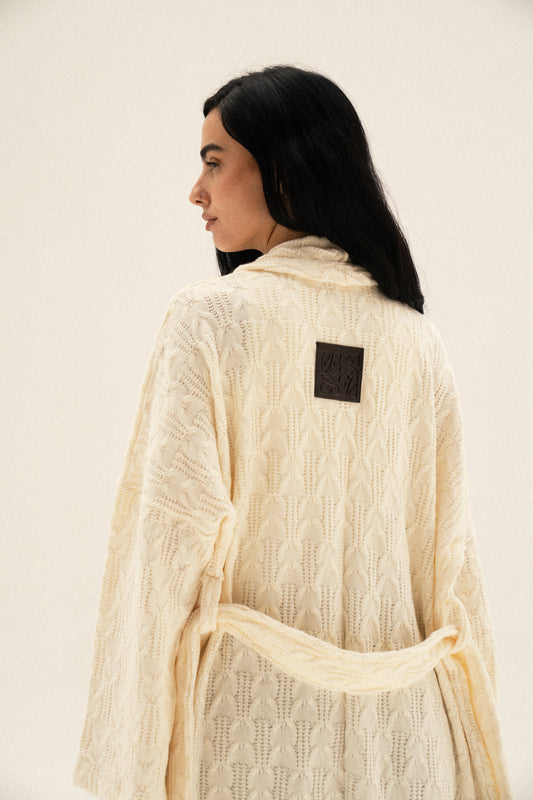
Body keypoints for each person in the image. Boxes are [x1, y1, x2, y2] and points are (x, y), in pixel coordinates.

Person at [73, 65, 512, 800]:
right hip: (407, 742)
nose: (195, 191)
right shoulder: (416, 340)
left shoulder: (210, 321)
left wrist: (134, 760)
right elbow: (455, 566)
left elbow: (165, 544)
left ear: (280, 168)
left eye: (214, 162)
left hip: (249, 739)